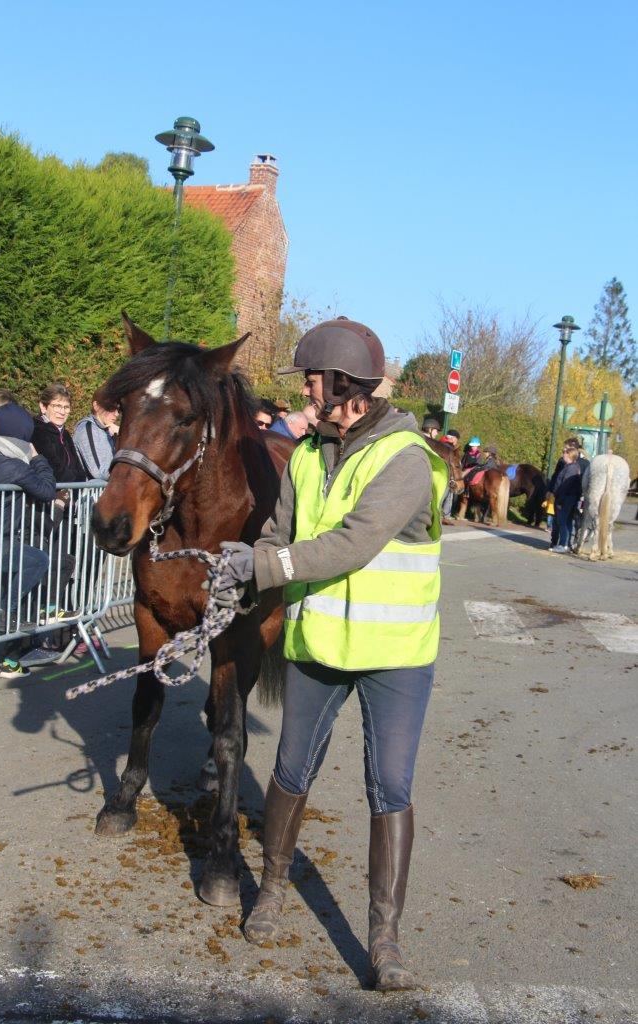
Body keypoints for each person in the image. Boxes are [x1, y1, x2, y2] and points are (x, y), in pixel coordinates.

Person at [207, 316, 448, 991]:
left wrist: (263, 567)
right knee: (290, 770)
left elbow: (352, 543)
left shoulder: (406, 459)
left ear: (345, 383)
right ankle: (275, 890)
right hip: (317, 643)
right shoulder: (308, 456)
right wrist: (239, 564)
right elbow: (278, 534)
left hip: (394, 654)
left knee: (389, 786)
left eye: (313, 380)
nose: (307, 393)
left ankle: (385, 939)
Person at [0, 393, 58, 677]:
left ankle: (14, 650)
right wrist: (37, 458)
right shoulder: (14, 467)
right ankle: (5, 613)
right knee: (37, 560)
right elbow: (48, 490)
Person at [32, 383, 86, 483]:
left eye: (66, 407)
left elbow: (78, 466)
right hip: (50, 492)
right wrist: (72, 483)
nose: (62, 412)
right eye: (57, 406)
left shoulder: (65, 434)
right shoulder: (37, 431)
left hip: (71, 491)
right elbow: (53, 467)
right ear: (43, 407)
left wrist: (79, 484)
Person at [547, 441, 585, 553]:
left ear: (569, 455)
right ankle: (566, 545)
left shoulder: (571, 468)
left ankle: (563, 544)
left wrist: (559, 499)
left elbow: (565, 486)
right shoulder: (571, 467)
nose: (563, 453)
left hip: (566, 499)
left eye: (565, 452)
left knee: (562, 522)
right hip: (568, 498)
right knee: (567, 521)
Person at [73, 391, 119, 479]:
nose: (116, 414)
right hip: (92, 491)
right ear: (96, 406)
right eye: (111, 408)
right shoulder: (87, 428)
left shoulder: (109, 430)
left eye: (118, 409)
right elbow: (99, 473)